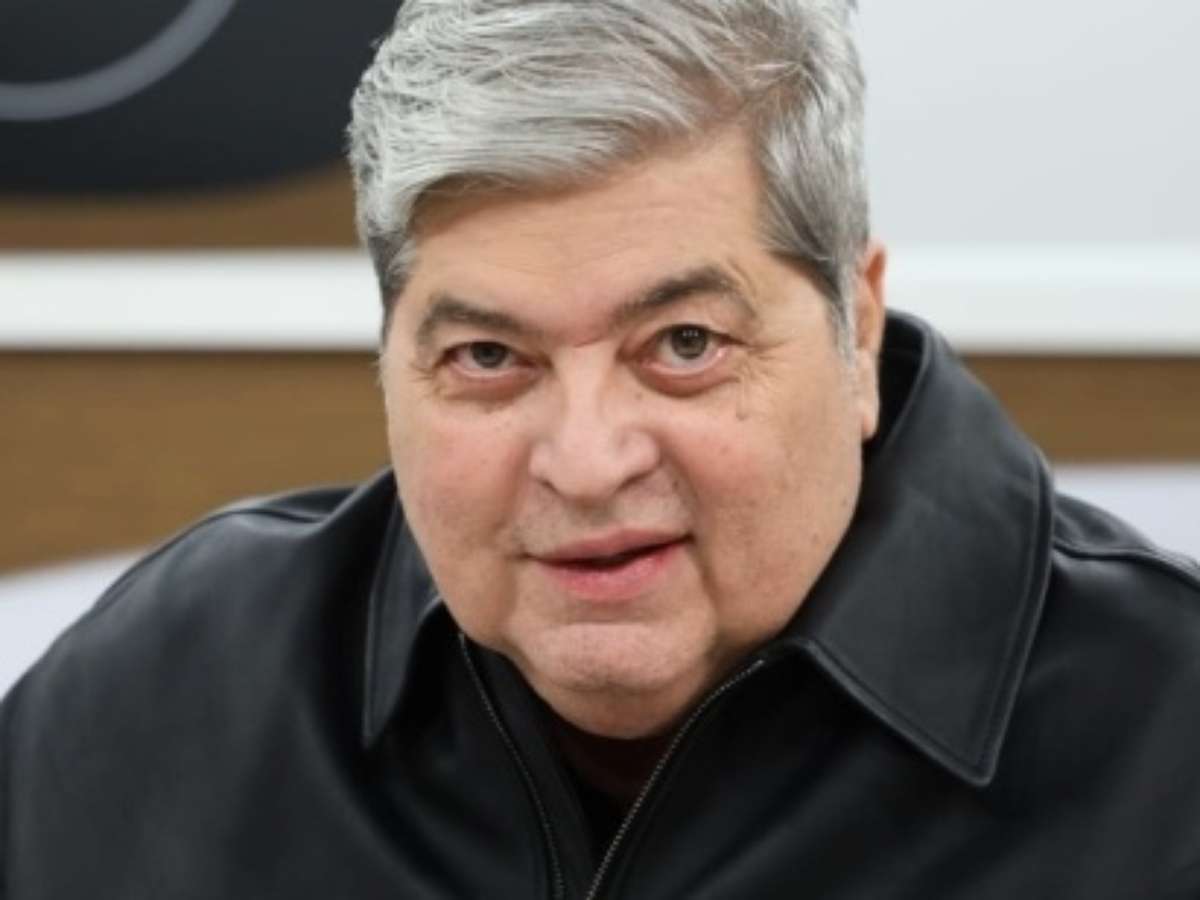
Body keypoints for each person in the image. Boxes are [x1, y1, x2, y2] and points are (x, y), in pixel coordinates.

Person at [3, 1, 1199, 896]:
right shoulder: (171, 692)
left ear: (858, 327)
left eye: (684, 344)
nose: (585, 463)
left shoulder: (1169, 728)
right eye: (488, 356)